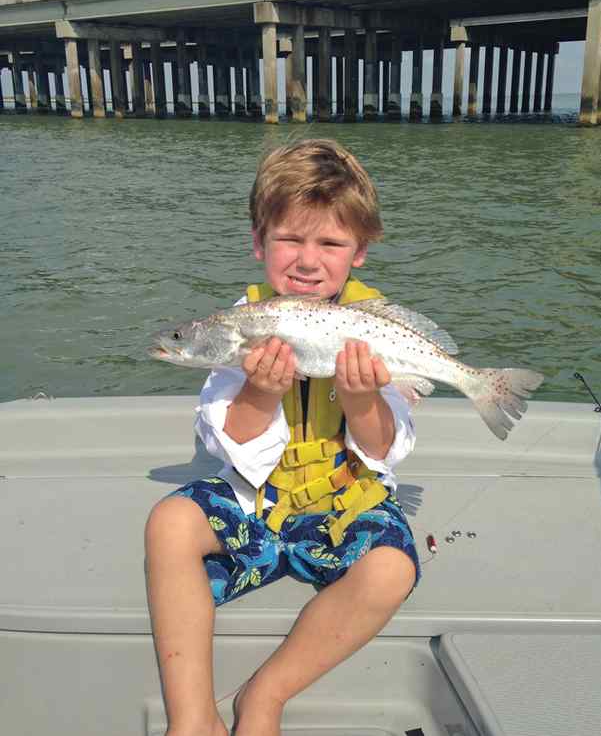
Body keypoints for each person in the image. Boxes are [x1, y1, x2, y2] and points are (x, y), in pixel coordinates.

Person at [145, 139, 421, 736]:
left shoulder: (375, 327)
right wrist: (259, 391)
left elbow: (382, 449)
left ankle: (264, 696)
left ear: (361, 252)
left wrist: (362, 396)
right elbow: (227, 441)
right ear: (258, 243)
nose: (307, 260)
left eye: (330, 243)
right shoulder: (238, 326)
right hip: (258, 503)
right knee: (168, 523)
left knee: (392, 570)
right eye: (289, 239)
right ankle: (192, 718)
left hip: (346, 507)